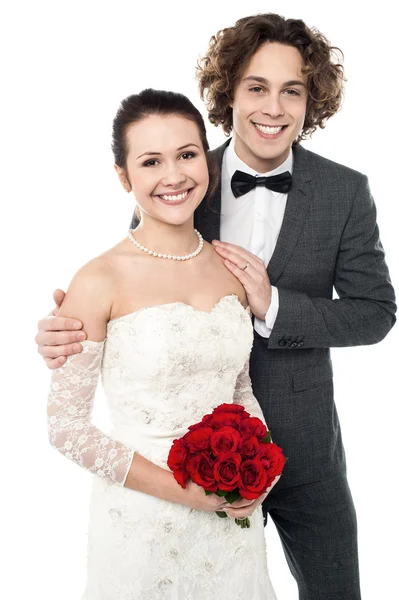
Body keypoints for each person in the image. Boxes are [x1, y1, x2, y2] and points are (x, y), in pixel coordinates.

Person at [36, 13, 396, 600]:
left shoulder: (345, 192)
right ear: (227, 95)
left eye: (292, 90)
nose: (273, 108)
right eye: (256, 87)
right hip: (180, 466)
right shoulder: (181, 176)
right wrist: (63, 331)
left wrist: (276, 305)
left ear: (313, 101)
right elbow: (130, 288)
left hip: (305, 455)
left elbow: (376, 312)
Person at [45, 88, 278, 599]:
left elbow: (239, 390)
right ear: (124, 177)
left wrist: (260, 472)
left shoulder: (232, 269)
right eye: (151, 161)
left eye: (187, 155)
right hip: (142, 520)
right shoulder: (99, 278)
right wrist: (187, 494)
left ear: (208, 163)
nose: (174, 176)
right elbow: (64, 429)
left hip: (232, 523)